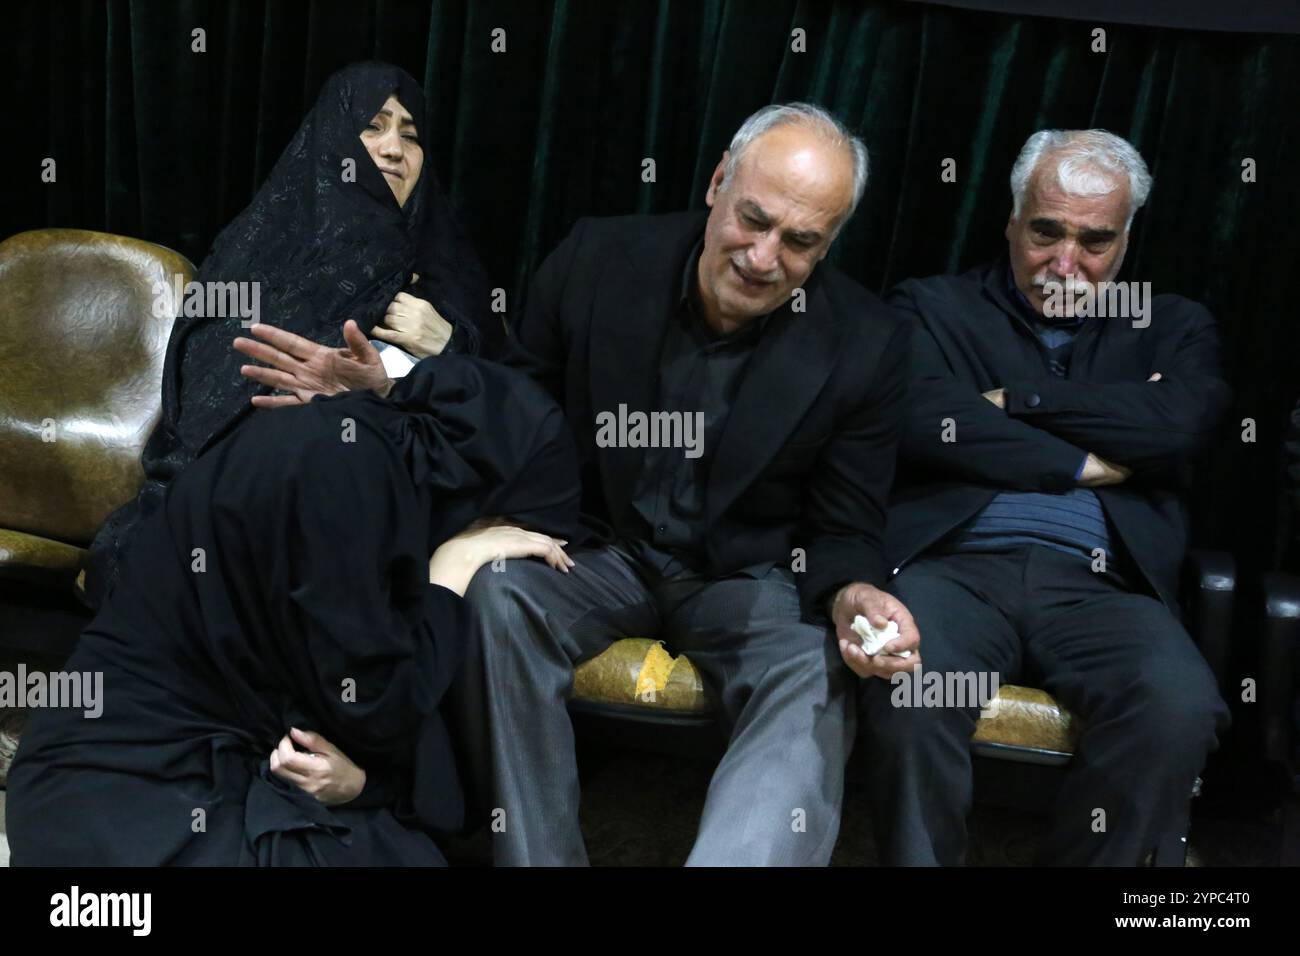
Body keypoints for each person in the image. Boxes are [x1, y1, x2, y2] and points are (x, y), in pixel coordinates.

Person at [236, 102, 917, 865]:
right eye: (752, 220)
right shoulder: (601, 258)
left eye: (800, 242)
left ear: (828, 247)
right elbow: (514, 411)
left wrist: (857, 592)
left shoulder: (868, 342)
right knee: (497, 594)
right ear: (719, 182)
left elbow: (846, 522)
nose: (762, 258)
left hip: (746, 573)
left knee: (817, 663)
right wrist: (396, 395)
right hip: (593, 545)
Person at [7, 355, 583, 865]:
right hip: (131, 801)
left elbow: (328, 687)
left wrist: (361, 782)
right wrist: (455, 566)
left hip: (84, 785)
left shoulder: (345, 443)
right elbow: (373, 703)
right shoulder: (352, 475)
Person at [863, 129, 1232, 865]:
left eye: (1095, 241)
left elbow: (1181, 426)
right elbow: (920, 421)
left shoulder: (1171, 324)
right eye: (1045, 233)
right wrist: (1096, 453)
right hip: (953, 567)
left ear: (1126, 240)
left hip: (1106, 584)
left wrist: (1016, 401)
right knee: (913, 692)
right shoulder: (931, 307)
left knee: (1178, 707)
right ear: (1010, 219)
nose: (1065, 264)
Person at [83, 61, 501, 608]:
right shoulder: (265, 247)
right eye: (372, 126)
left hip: (395, 515)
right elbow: (210, 396)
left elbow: (507, 421)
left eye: (410, 134)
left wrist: (452, 347)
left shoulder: (452, 275)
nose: (394, 148)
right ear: (331, 141)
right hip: (252, 498)